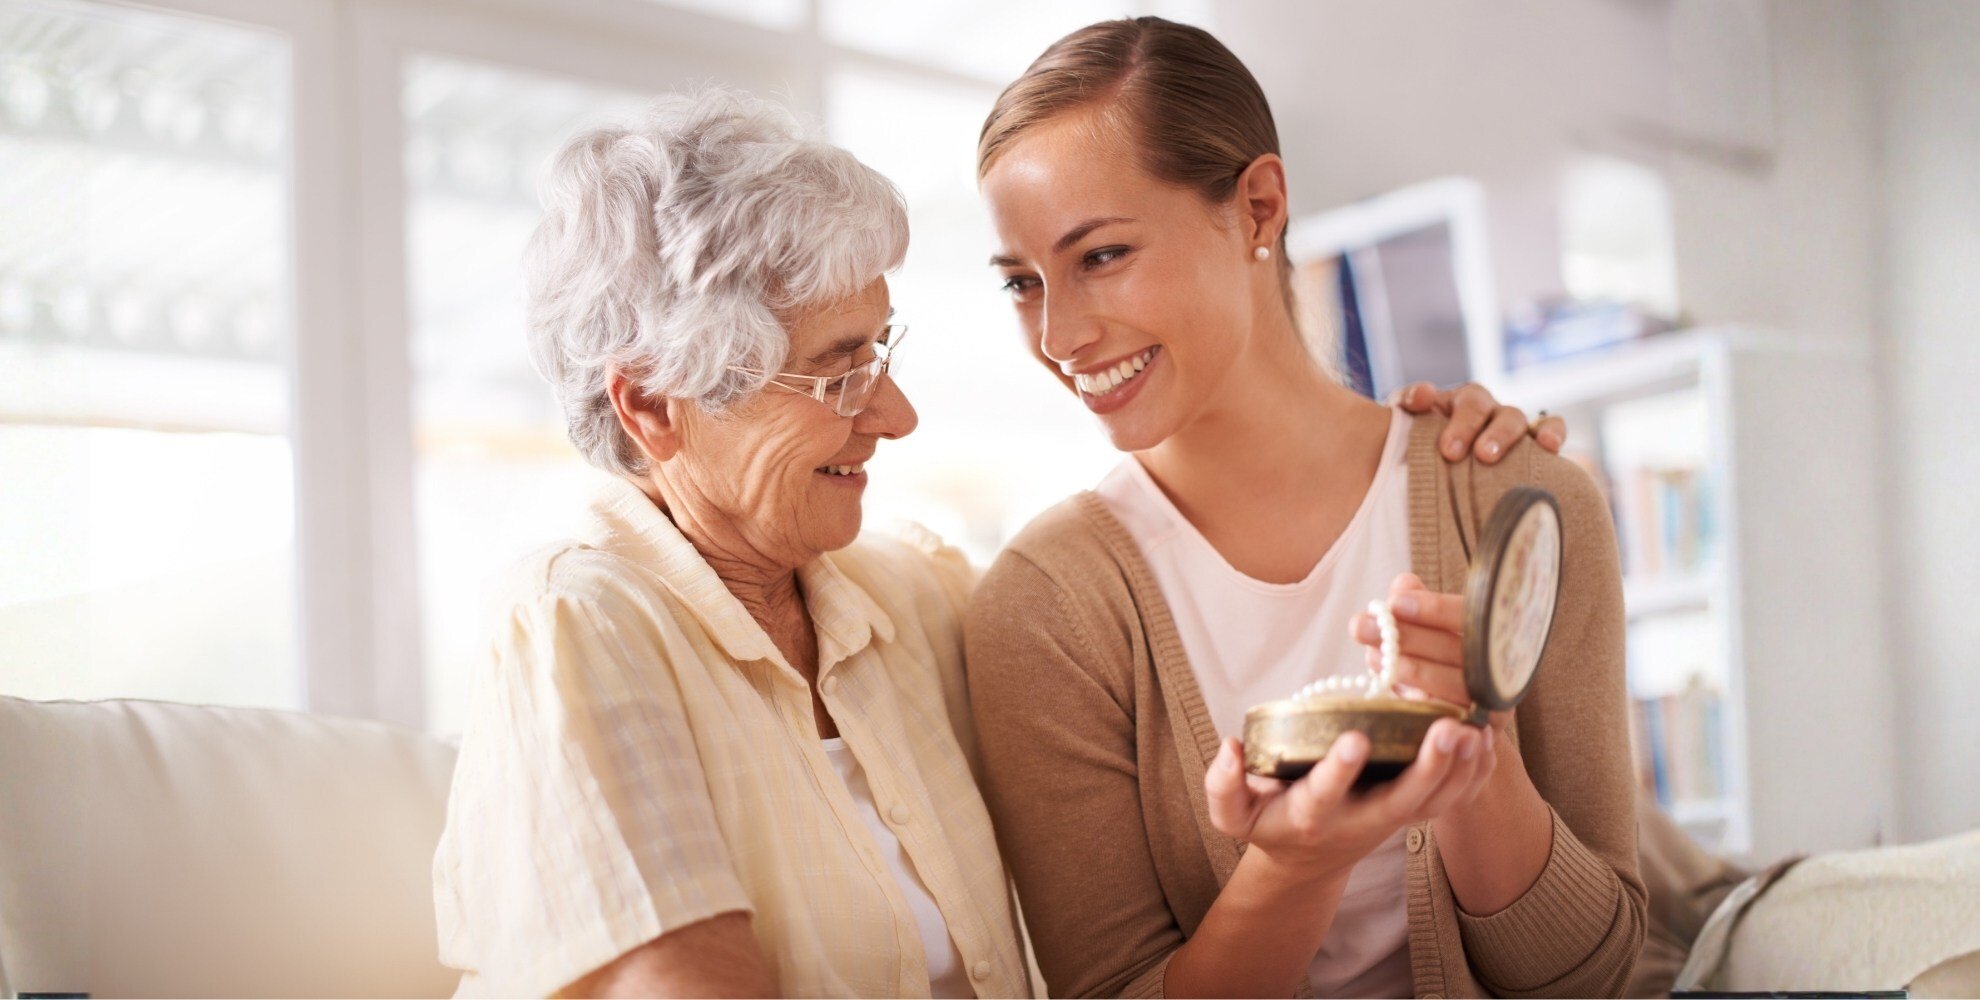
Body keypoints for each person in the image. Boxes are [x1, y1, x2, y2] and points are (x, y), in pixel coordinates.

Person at [431, 82, 1553, 1000]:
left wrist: (1438, 451)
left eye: (883, 349)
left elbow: (1142, 663)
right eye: (838, 371)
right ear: (655, 407)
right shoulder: (579, 619)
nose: (897, 415)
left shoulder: (908, 593)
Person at [965, 17, 1644, 999]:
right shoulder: (1044, 606)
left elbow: (1597, 978)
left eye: (1102, 255)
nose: (1062, 334)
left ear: (1258, 206)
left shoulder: (1519, 499)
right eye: (1024, 283)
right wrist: (1298, 863)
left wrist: (1475, 759)